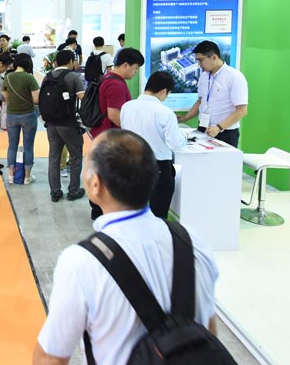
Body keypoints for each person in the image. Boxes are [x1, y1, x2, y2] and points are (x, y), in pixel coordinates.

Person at [33, 130, 219, 365]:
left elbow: (51, 357)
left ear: (96, 184)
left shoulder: (81, 263)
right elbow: (209, 331)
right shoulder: (193, 243)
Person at [120, 71, 187, 218]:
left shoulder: (127, 107)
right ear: (163, 91)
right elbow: (175, 144)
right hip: (158, 167)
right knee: (158, 213)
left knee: (134, 209)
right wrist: (184, 137)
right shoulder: (165, 112)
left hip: (132, 164)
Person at [89, 48, 145, 219]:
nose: (135, 73)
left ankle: (99, 209)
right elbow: (114, 115)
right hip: (111, 137)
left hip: (102, 134)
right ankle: (103, 210)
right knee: (109, 174)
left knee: (102, 171)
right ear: (126, 65)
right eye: (135, 68)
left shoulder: (108, 77)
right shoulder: (116, 84)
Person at [178, 40, 248, 148]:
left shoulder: (234, 77)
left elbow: (242, 110)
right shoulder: (203, 76)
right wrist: (185, 118)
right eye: (197, 60)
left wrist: (219, 127)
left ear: (214, 57)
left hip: (224, 132)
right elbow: (200, 101)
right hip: (203, 128)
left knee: (222, 159)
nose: (199, 64)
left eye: (201, 60)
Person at [44, 50, 86, 203]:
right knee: (76, 156)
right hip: (69, 123)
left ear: (56, 62)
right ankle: (73, 191)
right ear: (71, 61)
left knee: (54, 157)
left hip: (51, 124)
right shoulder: (74, 76)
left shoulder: (48, 76)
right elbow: (82, 97)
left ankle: (55, 192)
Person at [3, 53, 40, 184]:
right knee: (28, 146)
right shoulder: (29, 78)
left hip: (12, 115)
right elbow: (36, 99)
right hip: (28, 115)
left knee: (12, 145)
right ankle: (27, 177)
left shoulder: (8, 77)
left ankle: (11, 176)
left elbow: (6, 98)